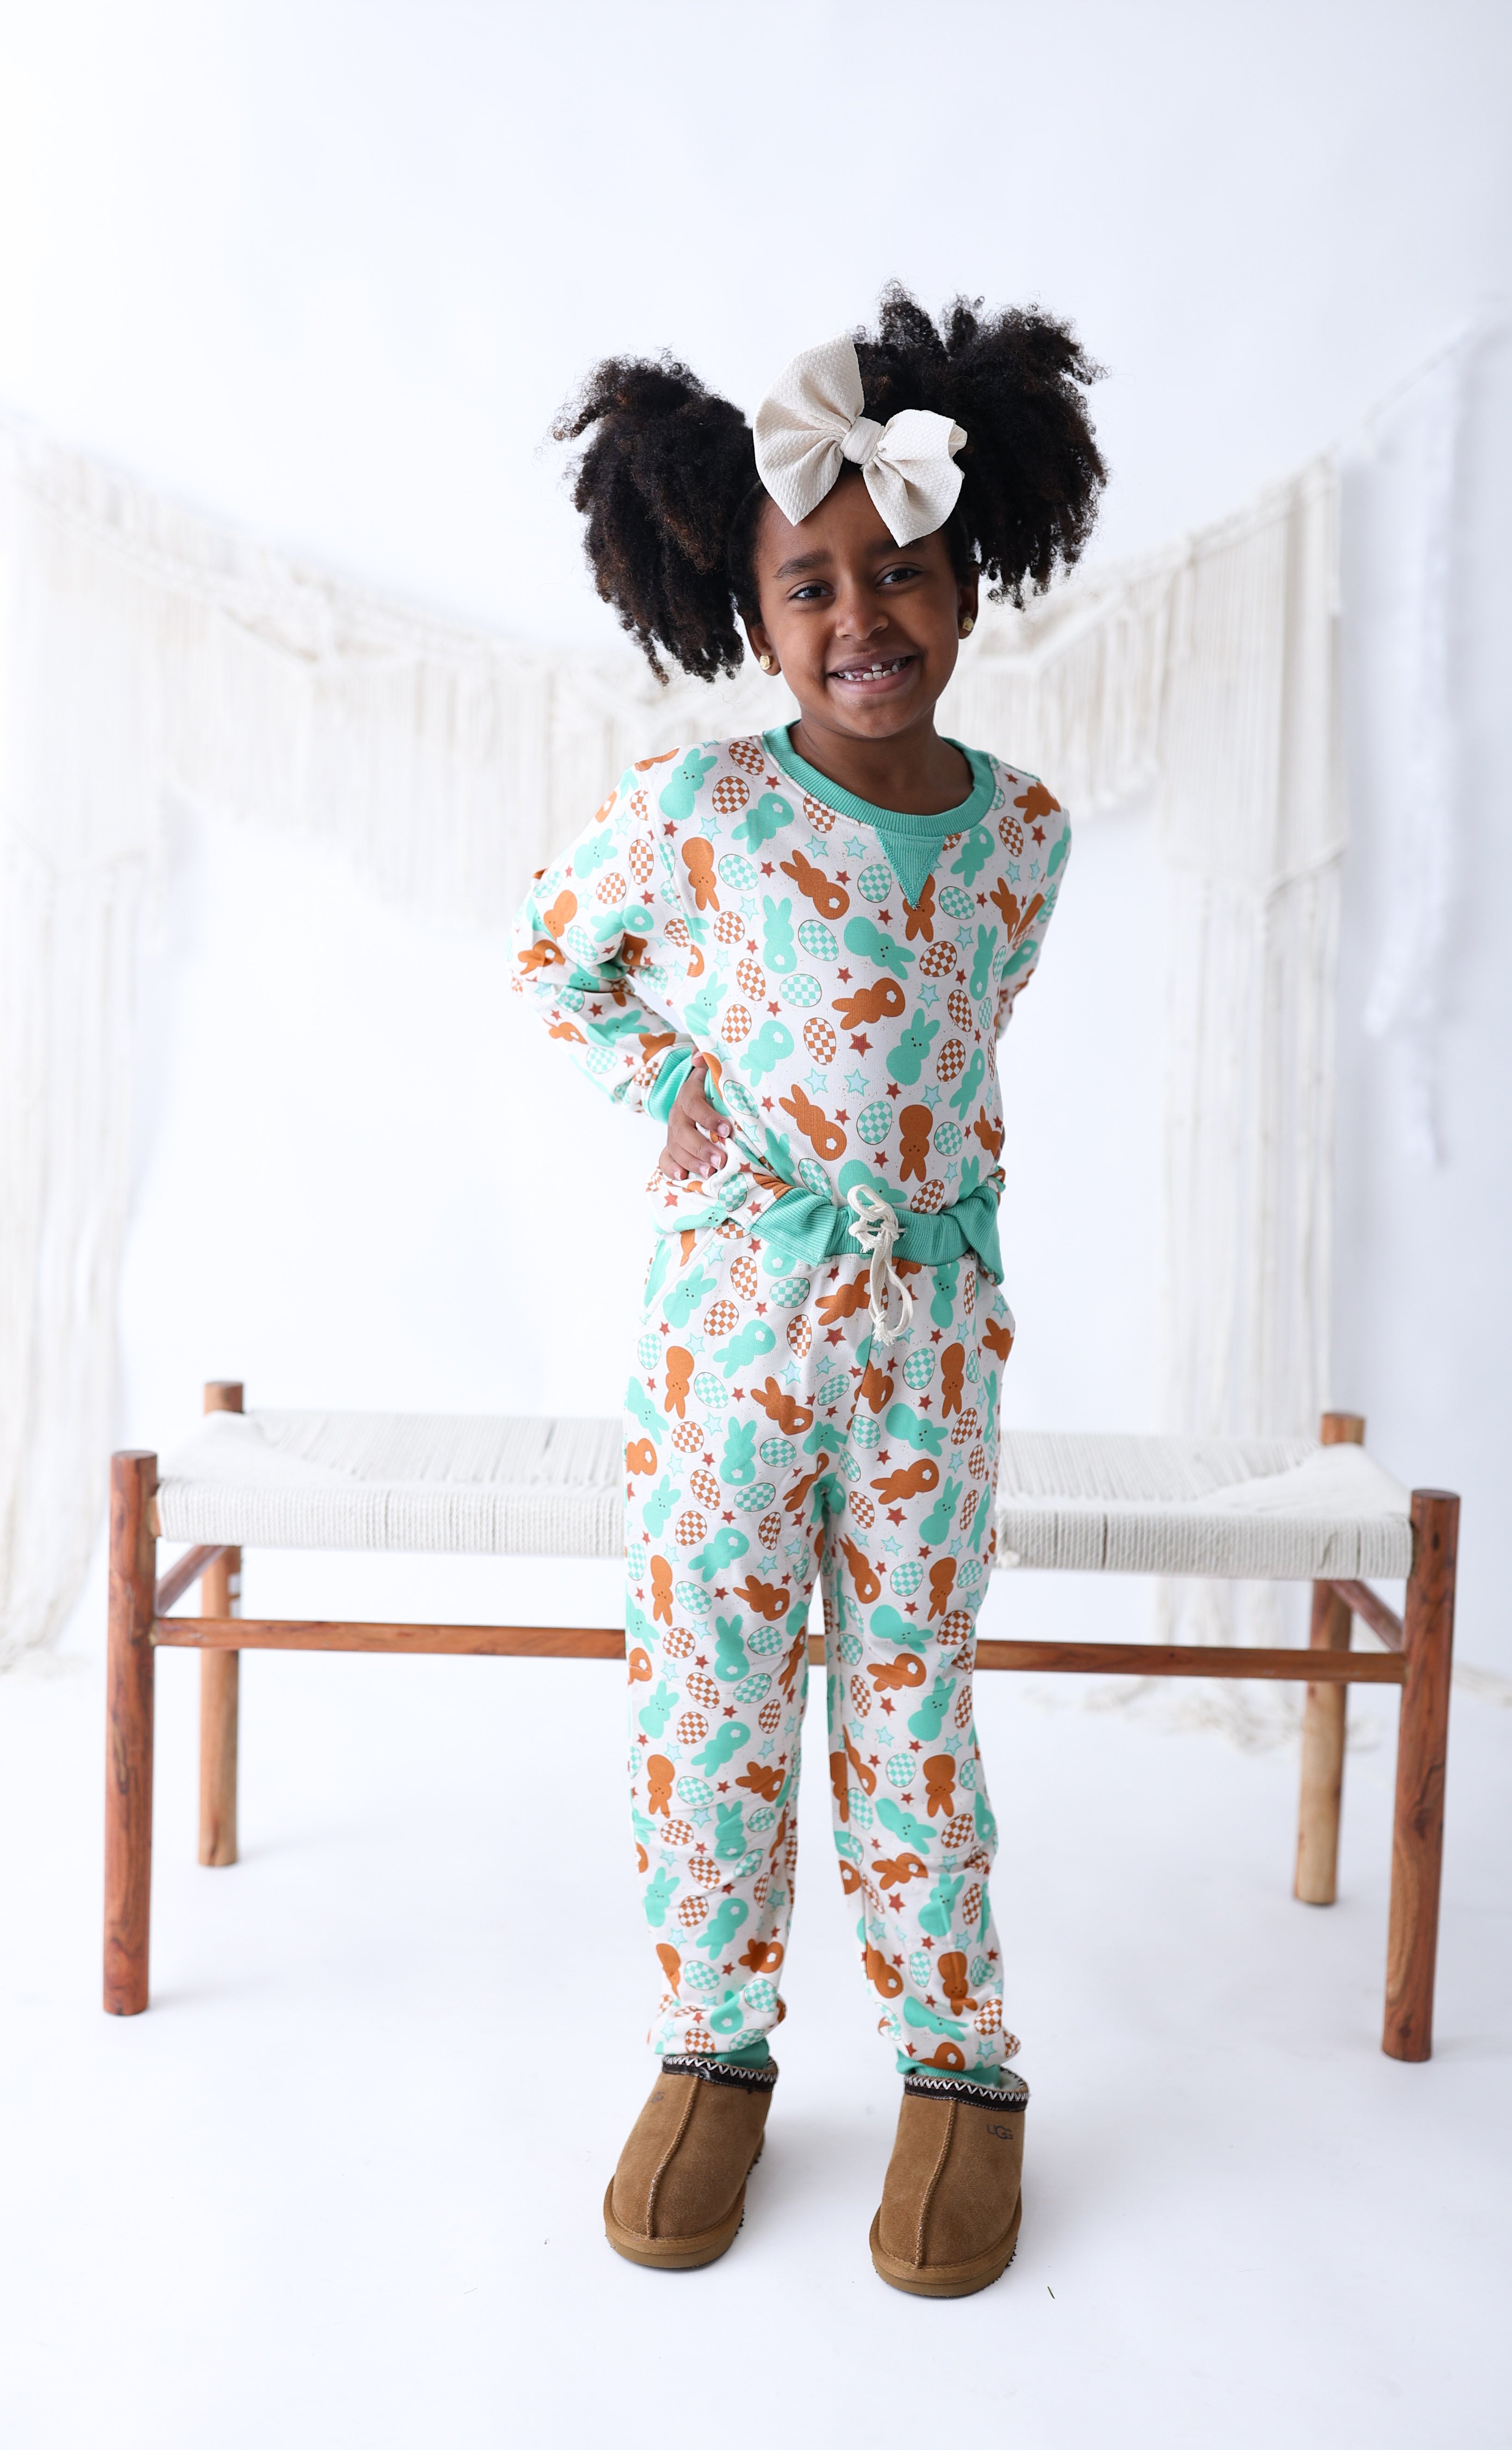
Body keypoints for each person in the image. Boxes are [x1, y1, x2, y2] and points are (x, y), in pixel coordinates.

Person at [508, 287, 1104, 2295]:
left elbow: (954, 1044)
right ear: (749, 619)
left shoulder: (1024, 837)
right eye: (812, 585)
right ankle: (714, 2044)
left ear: (970, 580)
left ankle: (959, 2066)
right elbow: (555, 952)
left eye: (902, 571)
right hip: (731, 1343)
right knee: (713, 1692)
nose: (865, 615)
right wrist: (675, 1088)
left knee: (912, 1695)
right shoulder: (699, 811)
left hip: (931, 1353)